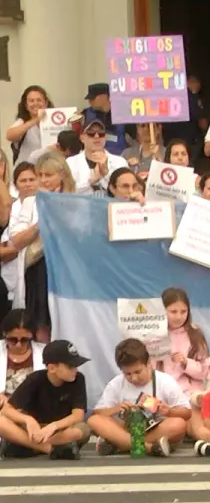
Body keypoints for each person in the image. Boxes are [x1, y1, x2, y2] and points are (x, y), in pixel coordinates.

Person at [9, 152, 77, 342]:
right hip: (40, 269)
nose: (44, 180)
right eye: (41, 175)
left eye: (49, 175)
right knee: (41, 324)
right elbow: (17, 241)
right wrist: (41, 223)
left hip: (68, 271)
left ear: (62, 174)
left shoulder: (76, 201)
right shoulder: (30, 202)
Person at [87, 338, 192, 457]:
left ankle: (120, 444)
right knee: (94, 421)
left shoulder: (165, 381)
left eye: (138, 372)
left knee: (179, 424)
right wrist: (115, 409)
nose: (134, 378)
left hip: (155, 430)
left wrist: (169, 411)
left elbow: (187, 413)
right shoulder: (116, 384)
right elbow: (97, 414)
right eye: (127, 374)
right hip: (126, 429)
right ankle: (149, 447)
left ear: (148, 363)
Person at [0, 340, 91, 460]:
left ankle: (27, 445)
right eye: (70, 366)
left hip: (60, 429)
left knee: (82, 430)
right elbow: (6, 410)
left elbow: (78, 415)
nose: (75, 370)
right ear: (52, 368)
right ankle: (51, 449)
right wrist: (28, 420)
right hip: (34, 430)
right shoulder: (35, 379)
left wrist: (54, 426)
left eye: (76, 366)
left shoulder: (78, 379)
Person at [0, 163, 39, 311]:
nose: (28, 184)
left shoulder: (43, 205)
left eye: (31, 179)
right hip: (10, 276)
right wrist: (24, 242)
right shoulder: (11, 210)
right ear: (15, 185)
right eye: (23, 180)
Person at [160, 287, 210, 393]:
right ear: (162, 310)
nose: (179, 317)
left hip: (189, 393)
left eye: (183, 312)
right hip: (161, 392)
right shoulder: (152, 335)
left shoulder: (195, 334)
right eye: (173, 312)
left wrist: (186, 362)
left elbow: (204, 370)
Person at [66, 118, 129, 196]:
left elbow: (126, 191)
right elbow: (66, 192)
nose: (97, 136)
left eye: (101, 133)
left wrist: (106, 174)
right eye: (91, 133)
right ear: (82, 138)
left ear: (105, 137)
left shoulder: (120, 162)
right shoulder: (70, 163)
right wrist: (90, 182)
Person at [0, 309, 45, 396]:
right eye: (12, 339)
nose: (18, 345)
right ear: (4, 334)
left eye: (24, 340)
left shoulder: (46, 352)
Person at [6, 85, 53, 166]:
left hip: (47, 170)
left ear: (46, 103)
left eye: (39, 100)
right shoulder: (22, 122)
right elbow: (9, 136)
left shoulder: (54, 122)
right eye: (31, 101)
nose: (35, 103)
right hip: (26, 171)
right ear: (26, 106)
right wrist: (34, 121)